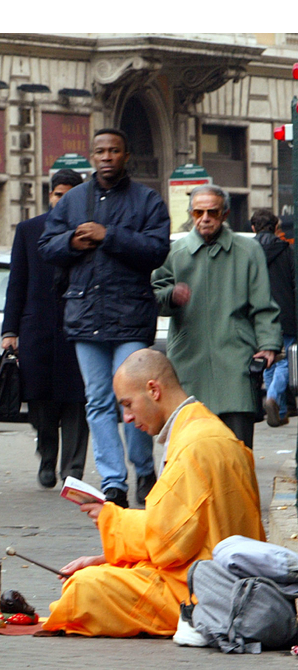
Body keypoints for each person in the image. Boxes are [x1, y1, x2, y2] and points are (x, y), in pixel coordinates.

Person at [43, 349, 266, 637]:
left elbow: (168, 543)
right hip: (221, 577)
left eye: (128, 404)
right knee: (95, 574)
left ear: (153, 390)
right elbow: (184, 531)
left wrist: (111, 518)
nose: (127, 417)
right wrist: (106, 558)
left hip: (204, 592)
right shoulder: (205, 428)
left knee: (83, 588)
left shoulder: (193, 445)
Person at [39, 128, 170, 508]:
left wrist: (108, 235)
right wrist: (71, 242)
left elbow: (157, 250)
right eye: (101, 151)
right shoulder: (73, 200)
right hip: (85, 316)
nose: (107, 156)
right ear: (92, 156)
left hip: (130, 316)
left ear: (126, 155)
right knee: (97, 400)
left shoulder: (146, 199)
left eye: (114, 150)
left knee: (136, 398)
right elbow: (46, 246)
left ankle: (143, 470)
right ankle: (113, 482)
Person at [152, 185, 281, 449]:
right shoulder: (176, 252)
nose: (205, 218)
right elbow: (154, 296)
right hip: (188, 361)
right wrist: (171, 296)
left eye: (213, 212)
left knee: (237, 449)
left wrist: (268, 344)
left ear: (225, 214)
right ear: (191, 213)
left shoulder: (248, 251)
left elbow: (263, 304)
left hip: (235, 360)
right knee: (192, 450)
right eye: (198, 212)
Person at [1, 168, 88, 489]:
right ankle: (47, 456)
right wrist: (10, 331)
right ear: (50, 196)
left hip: (79, 328)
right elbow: (16, 282)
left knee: (77, 400)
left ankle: (73, 469)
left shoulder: (90, 231)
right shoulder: (28, 230)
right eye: (58, 195)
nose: (63, 201)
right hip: (37, 328)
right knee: (40, 401)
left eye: (70, 195)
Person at [250, 208, 295, 427]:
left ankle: (280, 410)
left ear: (253, 228)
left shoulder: (247, 251)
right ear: (276, 227)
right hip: (286, 312)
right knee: (284, 360)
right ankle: (274, 399)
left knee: (266, 361)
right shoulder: (287, 250)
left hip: (258, 315)